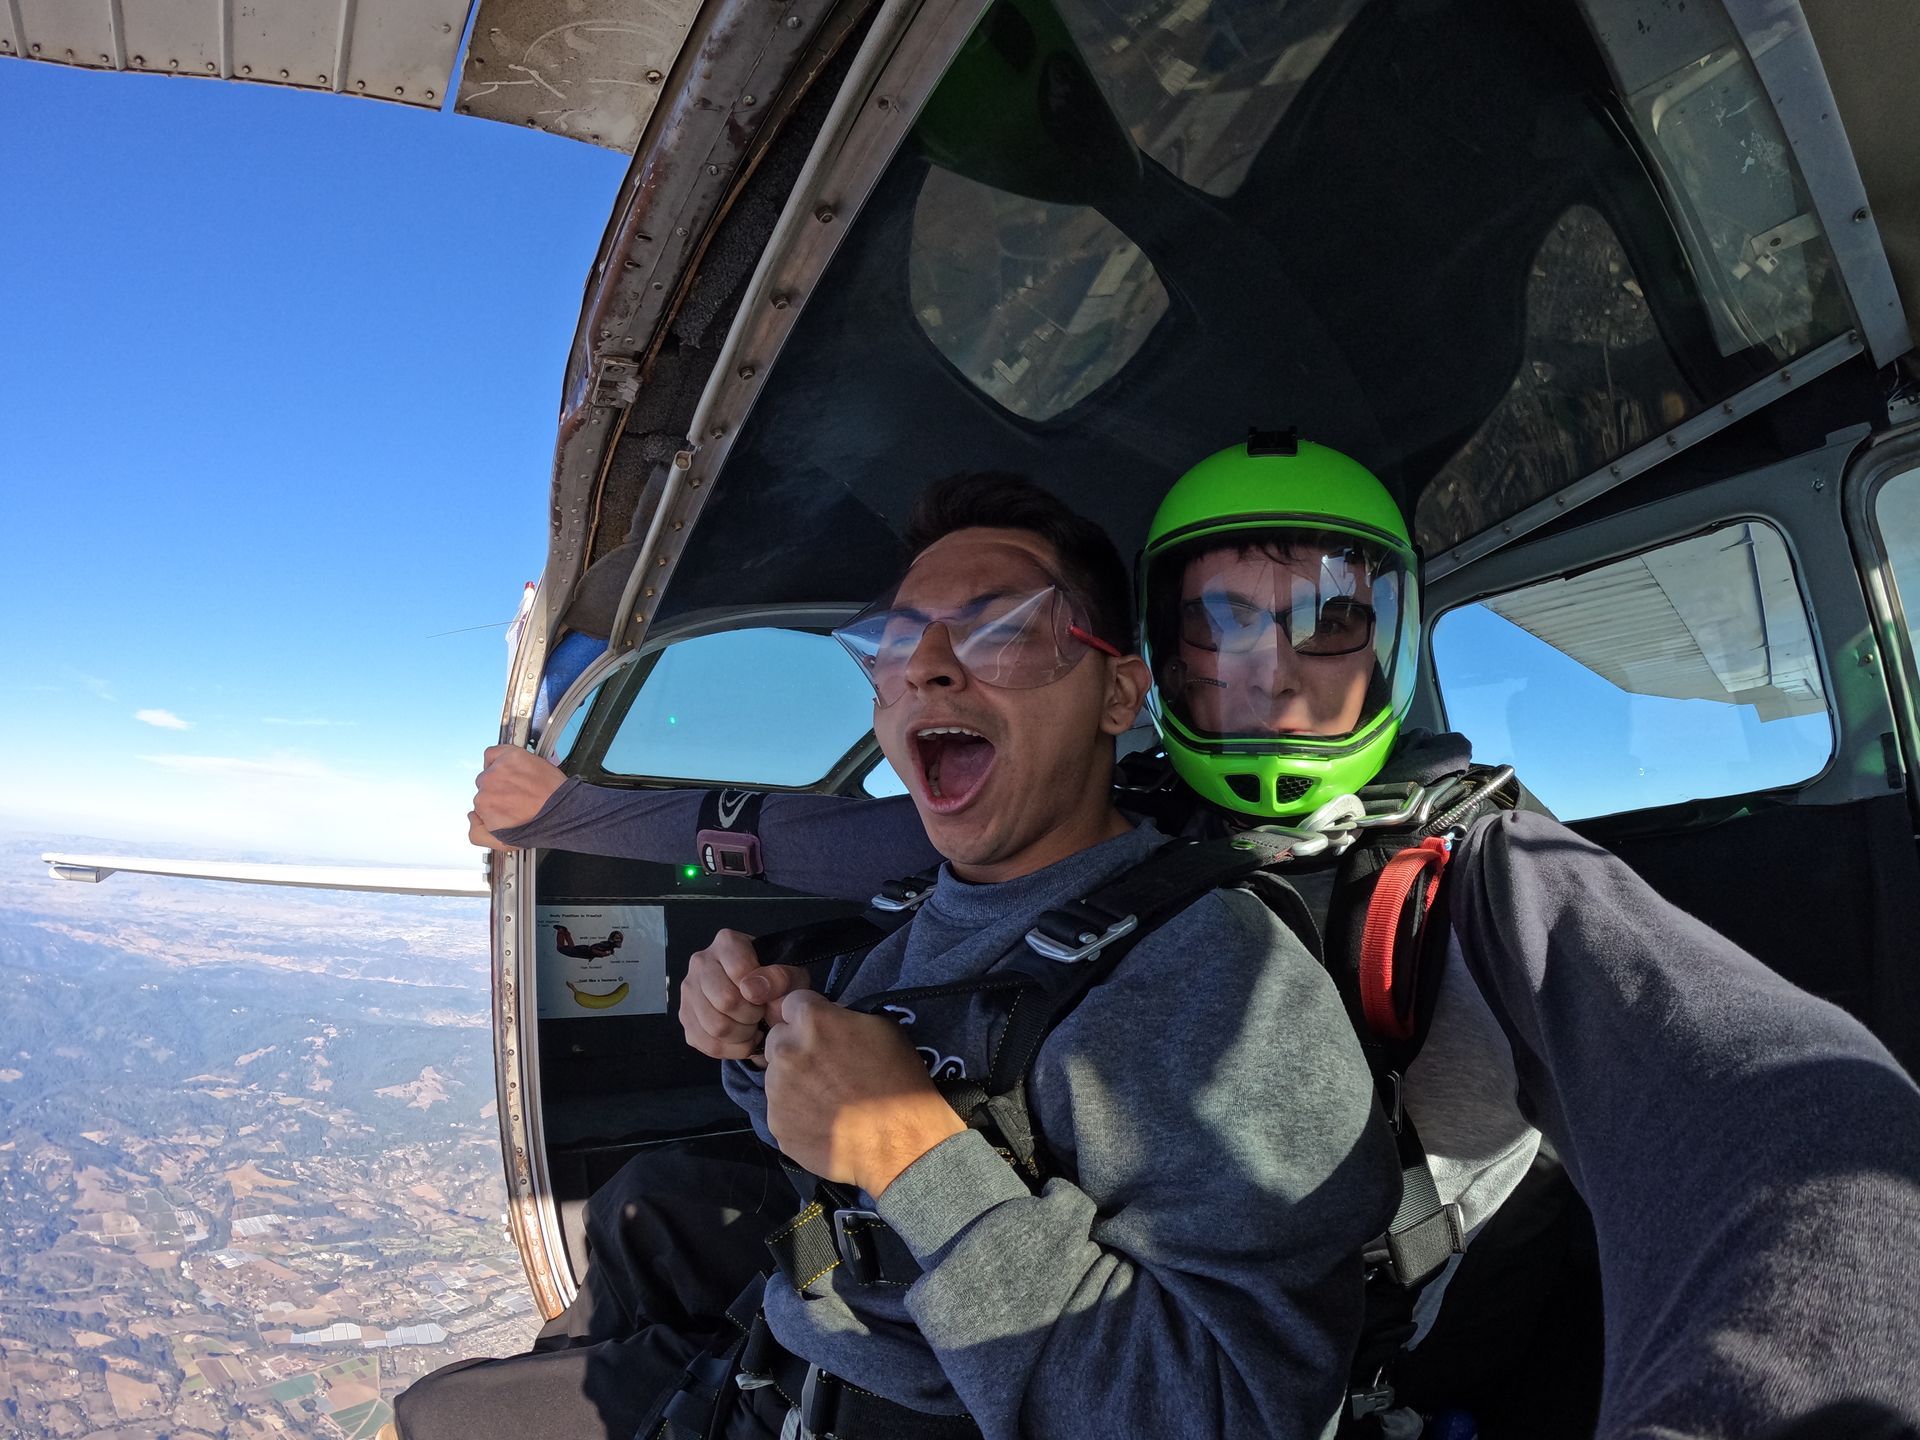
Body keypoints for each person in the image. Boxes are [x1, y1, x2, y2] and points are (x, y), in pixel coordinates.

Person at [464, 437, 1920, 1437]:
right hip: (838, 1345)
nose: (1271, 669)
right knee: (646, 1217)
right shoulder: (1062, 808)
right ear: (1157, 668)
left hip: (1042, 1361)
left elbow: (1779, 1105)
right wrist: (584, 826)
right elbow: (790, 837)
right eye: (1220, 621)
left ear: (1397, 644)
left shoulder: (1479, 866)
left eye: (1330, 618)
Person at [400, 471, 1402, 1440]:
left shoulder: (1220, 977)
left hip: (895, 1406)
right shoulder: (921, 908)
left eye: (1002, 626)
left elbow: (1234, 1413)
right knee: (578, 1281)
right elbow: (855, 1138)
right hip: (784, 1357)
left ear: (1116, 693)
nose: (923, 663)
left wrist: (908, 1152)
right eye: (893, 642)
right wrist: (765, 1045)